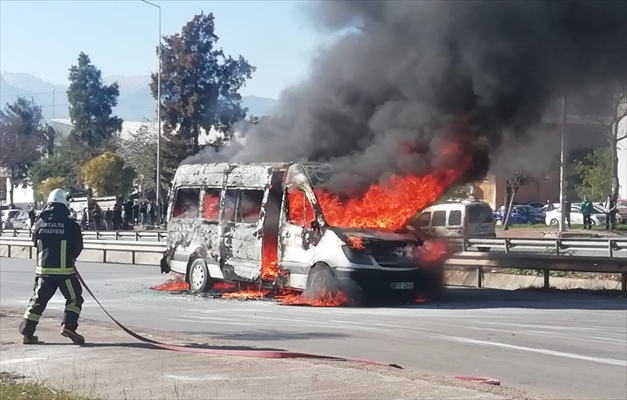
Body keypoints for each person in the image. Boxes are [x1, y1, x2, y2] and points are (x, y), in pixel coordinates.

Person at [19, 188, 85, 345]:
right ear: (65, 203)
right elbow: (78, 247)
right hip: (65, 272)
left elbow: (35, 243)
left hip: (44, 272)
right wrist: (70, 257)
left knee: (37, 301)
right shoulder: (71, 224)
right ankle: (68, 326)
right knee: (74, 298)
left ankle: (27, 333)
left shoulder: (39, 223)